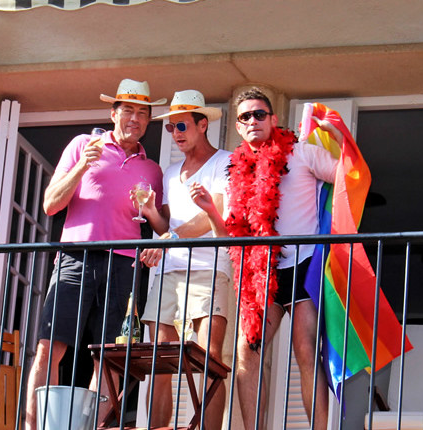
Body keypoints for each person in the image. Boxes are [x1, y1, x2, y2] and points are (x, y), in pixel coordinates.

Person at [25, 78, 166, 429]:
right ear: (113, 113)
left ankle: (89, 427)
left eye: (143, 113)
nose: (135, 119)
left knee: (110, 356)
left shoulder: (152, 169)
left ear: (149, 121)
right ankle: (34, 426)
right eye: (128, 110)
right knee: (49, 347)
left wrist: (151, 214)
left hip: (125, 264)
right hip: (77, 256)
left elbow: (161, 225)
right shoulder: (83, 145)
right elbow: (50, 204)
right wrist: (81, 166)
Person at [223, 88, 340, 430]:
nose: (253, 121)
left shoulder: (302, 153)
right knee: (247, 351)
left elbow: (350, 176)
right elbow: (232, 224)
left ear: (273, 119)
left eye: (259, 114)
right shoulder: (236, 171)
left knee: (305, 350)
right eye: (245, 117)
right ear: (239, 127)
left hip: (305, 266)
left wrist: (336, 135)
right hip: (263, 271)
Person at [134, 90, 231, 430]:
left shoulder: (225, 161)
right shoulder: (169, 172)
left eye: (181, 125)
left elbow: (211, 216)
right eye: (170, 127)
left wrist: (169, 239)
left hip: (208, 269)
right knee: (159, 362)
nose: (175, 133)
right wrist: (150, 213)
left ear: (203, 125)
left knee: (209, 361)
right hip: (168, 272)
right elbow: (166, 227)